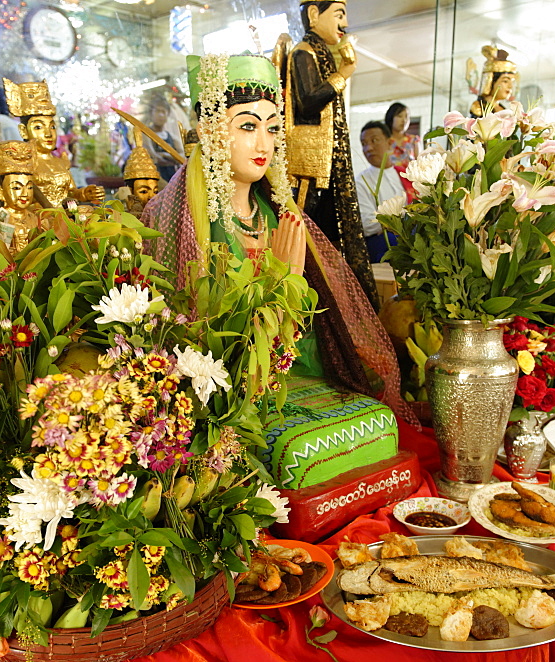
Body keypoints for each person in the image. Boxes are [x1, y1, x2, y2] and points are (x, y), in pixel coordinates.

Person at [142, 53, 412, 490]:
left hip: (293, 376)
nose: (264, 143)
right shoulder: (188, 221)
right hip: (232, 399)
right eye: (247, 126)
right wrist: (283, 279)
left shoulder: (276, 216)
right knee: (290, 449)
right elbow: (202, 342)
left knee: (376, 419)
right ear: (212, 132)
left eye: (271, 127)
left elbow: (307, 337)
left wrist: (293, 288)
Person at [282, 0, 380, 312]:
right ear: (314, 14)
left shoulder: (322, 54)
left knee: (331, 237)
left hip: (329, 164)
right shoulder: (303, 53)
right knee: (311, 237)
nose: (345, 23)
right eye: (339, 14)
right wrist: (344, 73)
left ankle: (339, 301)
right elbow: (308, 101)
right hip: (311, 167)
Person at [2, 78, 102, 209]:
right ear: (23, 131)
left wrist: (84, 193)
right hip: (37, 222)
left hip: (65, 221)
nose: (48, 133)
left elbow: (71, 193)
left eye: (52, 127)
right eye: (38, 127)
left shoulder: (61, 162)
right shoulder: (21, 165)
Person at [356, 121, 403, 263]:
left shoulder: (405, 174)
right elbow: (366, 223)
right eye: (364, 143)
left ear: (389, 143)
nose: (368, 148)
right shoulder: (361, 181)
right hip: (383, 243)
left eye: (374, 141)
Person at [142, 95, 184, 184]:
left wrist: (165, 155)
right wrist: (172, 157)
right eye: (157, 111)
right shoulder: (146, 134)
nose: (161, 115)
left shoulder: (172, 137)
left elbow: (182, 157)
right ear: (151, 113)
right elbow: (153, 156)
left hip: (173, 179)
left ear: (167, 114)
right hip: (155, 180)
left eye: (163, 111)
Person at [470, 45, 519, 117]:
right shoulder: (478, 108)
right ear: (490, 81)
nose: (510, 86)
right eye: (505, 81)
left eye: (512, 82)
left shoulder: (504, 110)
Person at [384, 102, 420, 167]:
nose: (404, 120)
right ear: (391, 118)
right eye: (400, 116)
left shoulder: (413, 140)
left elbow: (419, 164)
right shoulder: (385, 141)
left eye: (407, 117)